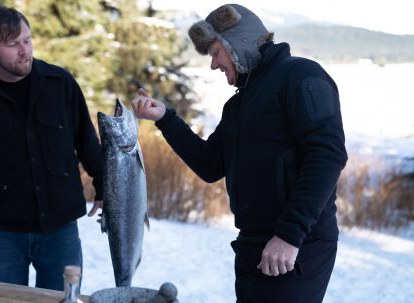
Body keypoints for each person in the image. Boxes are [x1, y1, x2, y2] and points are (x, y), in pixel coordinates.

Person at [131, 4, 347, 303]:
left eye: (216, 52)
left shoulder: (299, 75)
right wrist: (166, 119)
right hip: (251, 244)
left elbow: (328, 154)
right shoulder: (238, 105)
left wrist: (289, 235)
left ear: (239, 43)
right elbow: (210, 165)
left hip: (297, 245)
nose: (214, 64)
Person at [0, 6, 103, 290]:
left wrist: (104, 187)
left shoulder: (60, 83)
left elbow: (87, 141)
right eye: (12, 45)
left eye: (27, 40)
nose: (24, 50)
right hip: (1, 233)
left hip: (61, 230)